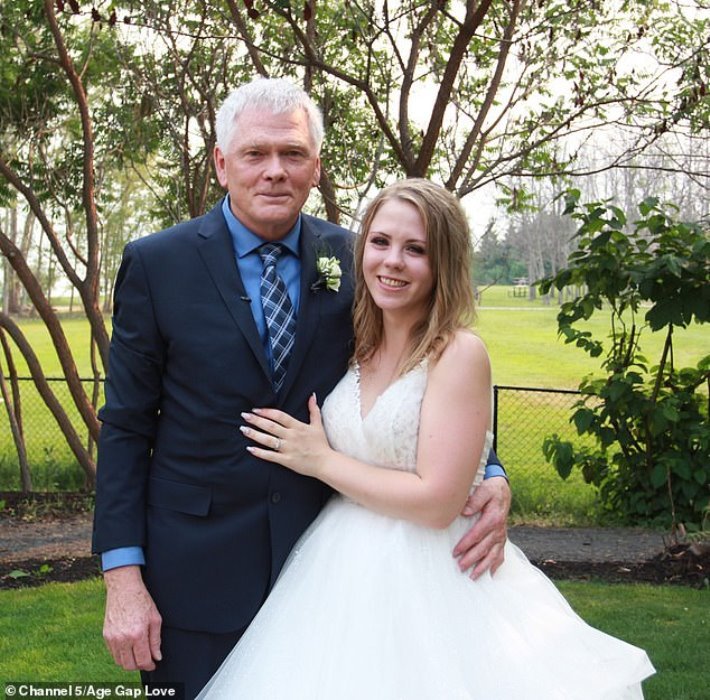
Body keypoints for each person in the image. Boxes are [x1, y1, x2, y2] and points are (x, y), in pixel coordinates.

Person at [92, 78, 512, 699]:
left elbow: (426, 369)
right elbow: (126, 426)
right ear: (222, 163)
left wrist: (490, 471)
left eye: (292, 154)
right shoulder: (157, 264)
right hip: (194, 577)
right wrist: (123, 577)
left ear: (315, 168)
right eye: (255, 154)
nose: (274, 171)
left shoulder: (362, 259)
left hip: (328, 577)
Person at [197, 179, 656, 699]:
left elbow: (438, 502)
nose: (392, 261)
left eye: (416, 249)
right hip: (334, 570)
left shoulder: (457, 354)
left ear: (444, 263)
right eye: (380, 242)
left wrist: (320, 460)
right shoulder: (356, 341)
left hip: (432, 575)